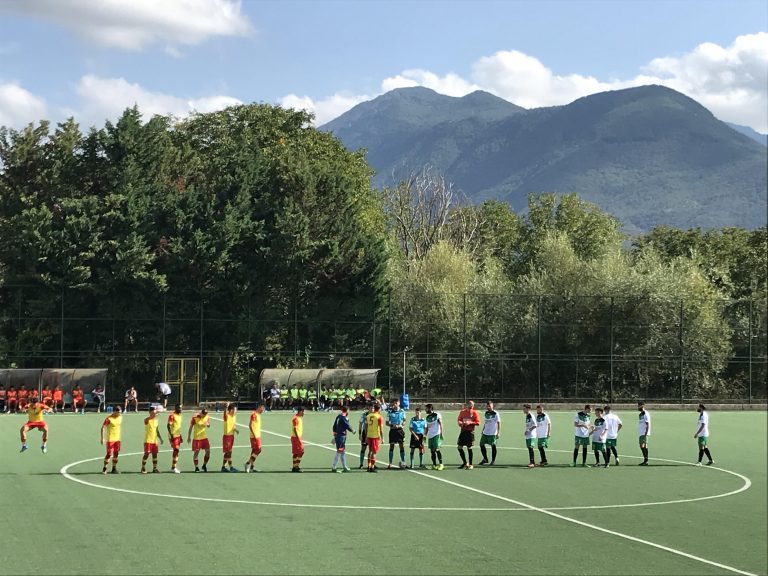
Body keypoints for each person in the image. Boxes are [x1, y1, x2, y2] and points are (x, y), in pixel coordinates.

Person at [456, 400, 481, 469]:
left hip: (470, 432)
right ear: (467, 405)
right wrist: (460, 422)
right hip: (463, 432)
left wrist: (470, 423)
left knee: (469, 448)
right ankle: (465, 463)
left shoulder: (475, 412)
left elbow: (478, 423)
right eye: (470, 405)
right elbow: (459, 420)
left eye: (472, 405)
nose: (471, 407)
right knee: (459, 447)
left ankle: (471, 464)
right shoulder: (462, 412)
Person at [331, 406, 355, 472]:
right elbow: (347, 425)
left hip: (338, 435)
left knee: (342, 451)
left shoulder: (338, 416)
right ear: (347, 410)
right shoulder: (344, 417)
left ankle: (344, 466)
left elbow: (334, 426)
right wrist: (352, 430)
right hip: (341, 436)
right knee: (340, 451)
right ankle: (334, 466)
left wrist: (334, 436)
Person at [100, 405, 123, 474]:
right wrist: (102, 438)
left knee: (116, 454)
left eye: (120, 412)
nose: (120, 414)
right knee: (109, 454)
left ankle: (114, 468)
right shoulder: (109, 419)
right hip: (110, 439)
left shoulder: (120, 417)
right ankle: (104, 468)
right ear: (115, 412)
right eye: (118, 412)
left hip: (118, 439)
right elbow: (103, 428)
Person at [141, 406, 164, 474]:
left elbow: (157, 430)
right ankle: (143, 467)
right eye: (154, 411)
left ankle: (155, 468)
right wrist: (154, 414)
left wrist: (160, 438)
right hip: (148, 440)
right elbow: (148, 418)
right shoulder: (147, 420)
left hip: (154, 441)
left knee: (155, 454)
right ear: (150, 412)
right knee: (147, 454)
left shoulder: (156, 420)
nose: (155, 413)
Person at [187, 408, 211, 472]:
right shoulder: (195, 417)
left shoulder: (207, 417)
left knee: (208, 452)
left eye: (206, 414)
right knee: (196, 453)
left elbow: (209, 425)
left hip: (204, 437)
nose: (204, 415)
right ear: (201, 413)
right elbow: (190, 427)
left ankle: (204, 465)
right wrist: (189, 437)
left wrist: (208, 424)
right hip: (197, 438)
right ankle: (196, 467)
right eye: (204, 414)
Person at [386, 398, 407, 469]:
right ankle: (390, 463)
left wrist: (401, 425)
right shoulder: (390, 411)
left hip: (400, 431)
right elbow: (387, 422)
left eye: (396, 403)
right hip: (393, 431)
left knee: (402, 446)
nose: (394, 405)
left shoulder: (402, 411)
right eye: (393, 403)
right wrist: (392, 425)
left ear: (399, 403)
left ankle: (403, 462)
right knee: (392, 446)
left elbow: (404, 420)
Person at [479, 401, 501, 466]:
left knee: (493, 446)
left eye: (490, 406)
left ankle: (493, 460)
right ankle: (485, 459)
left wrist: (498, 432)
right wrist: (483, 430)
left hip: (492, 433)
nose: (488, 407)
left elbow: (499, 423)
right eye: (487, 406)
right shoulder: (486, 413)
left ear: (492, 406)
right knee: (481, 444)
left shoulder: (496, 413)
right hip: (485, 432)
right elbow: (486, 422)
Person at [245, 403, 265, 473]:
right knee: (259, 450)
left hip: (257, 435)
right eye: (263, 408)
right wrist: (254, 435)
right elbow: (250, 425)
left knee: (254, 451)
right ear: (260, 407)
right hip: (254, 436)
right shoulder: (254, 414)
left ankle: (251, 467)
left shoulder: (258, 415)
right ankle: (248, 463)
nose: (263, 410)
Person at [364, 403, 384, 473]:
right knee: (374, 452)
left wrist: (366, 435)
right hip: (375, 436)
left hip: (369, 435)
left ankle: (369, 465)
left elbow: (366, 426)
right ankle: (372, 467)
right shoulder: (379, 417)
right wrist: (382, 438)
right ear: (379, 409)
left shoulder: (368, 416)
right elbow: (381, 429)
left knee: (370, 451)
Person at [425, 403, 444, 470]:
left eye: (426, 408)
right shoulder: (427, 417)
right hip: (430, 436)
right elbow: (427, 427)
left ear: (430, 408)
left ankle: (441, 464)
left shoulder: (437, 415)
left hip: (436, 434)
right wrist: (425, 435)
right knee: (432, 451)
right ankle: (434, 465)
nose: (425, 410)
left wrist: (442, 433)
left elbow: (441, 423)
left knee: (437, 449)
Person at [221, 402, 239, 472]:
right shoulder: (227, 416)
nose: (236, 411)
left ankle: (223, 467)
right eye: (235, 410)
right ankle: (231, 467)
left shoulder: (234, 416)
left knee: (228, 452)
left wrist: (235, 429)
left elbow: (233, 425)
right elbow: (225, 413)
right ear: (231, 410)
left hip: (232, 436)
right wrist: (226, 407)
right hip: (227, 437)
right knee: (228, 452)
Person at [166, 404, 183, 473]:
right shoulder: (172, 416)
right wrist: (171, 435)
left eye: (181, 408)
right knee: (176, 449)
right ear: (176, 408)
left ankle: (173, 466)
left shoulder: (180, 416)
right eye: (179, 408)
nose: (181, 409)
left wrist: (180, 436)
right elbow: (168, 425)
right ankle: (173, 467)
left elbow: (178, 427)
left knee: (176, 451)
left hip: (178, 435)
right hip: (173, 436)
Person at [523, 403, 537, 468]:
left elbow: (535, 425)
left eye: (524, 409)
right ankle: (532, 462)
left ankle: (532, 463)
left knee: (531, 448)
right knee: (529, 448)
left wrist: (528, 430)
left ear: (528, 409)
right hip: (528, 435)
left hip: (531, 435)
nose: (523, 410)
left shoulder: (531, 415)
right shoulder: (527, 416)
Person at [291, 406, 305, 472]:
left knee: (297, 453)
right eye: (303, 412)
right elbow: (295, 429)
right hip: (296, 438)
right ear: (300, 411)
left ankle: (295, 467)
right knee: (301, 451)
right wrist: (298, 438)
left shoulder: (299, 418)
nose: (303, 413)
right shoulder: (295, 419)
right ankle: (296, 466)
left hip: (297, 437)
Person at [637, 401, 651, 466]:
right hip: (641, 432)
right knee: (642, 446)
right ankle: (645, 460)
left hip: (644, 433)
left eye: (639, 405)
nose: (638, 407)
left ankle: (646, 460)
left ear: (642, 405)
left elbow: (647, 423)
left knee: (643, 446)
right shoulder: (640, 414)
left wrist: (646, 432)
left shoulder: (646, 413)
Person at [358, 401, 371, 469]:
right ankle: (361, 464)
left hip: (372, 434)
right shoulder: (364, 414)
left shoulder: (376, 414)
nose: (372, 409)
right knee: (363, 448)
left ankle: (371, 463)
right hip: (365, 433)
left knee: (371, 450)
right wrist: (360, 434)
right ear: (368, 407)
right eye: (371, 407)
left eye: (373, 407)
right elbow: (360, 424)